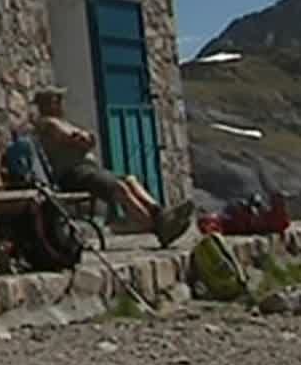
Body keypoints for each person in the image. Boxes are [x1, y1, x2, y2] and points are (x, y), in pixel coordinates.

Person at [31, 88, 193, 247]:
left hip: (88, 169)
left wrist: (85, 139)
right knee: (119, 188)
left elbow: (87, 140)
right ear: (45, 104)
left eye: (60, 99)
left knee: (130, 179)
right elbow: (76, 138)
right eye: (55, 99)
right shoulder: (48, 123)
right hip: (74, 174)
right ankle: (157, 227)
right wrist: (82, 138)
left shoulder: (62, 122)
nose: (60, 103)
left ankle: (160, 213)